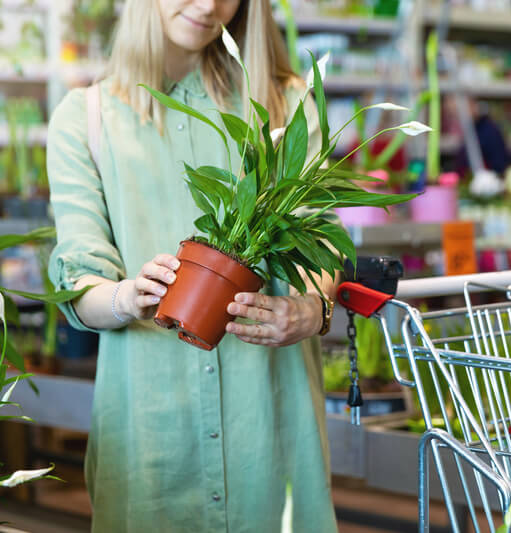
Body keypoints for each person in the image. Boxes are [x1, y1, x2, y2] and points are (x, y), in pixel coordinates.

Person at [47, 1, 338, 531]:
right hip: (151, 440)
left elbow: (320, 243)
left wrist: (311, 309)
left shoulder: (286, 103)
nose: (209, 5)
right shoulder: (85, 118)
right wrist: (125, 296)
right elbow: (79, 279)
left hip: (271, 425)